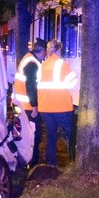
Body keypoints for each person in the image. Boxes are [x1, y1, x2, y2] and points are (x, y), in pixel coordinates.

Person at [37, 38, 77, 167]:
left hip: (45, 107)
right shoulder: (61, 64)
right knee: (71, 134)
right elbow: (73, 81)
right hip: (61, 106)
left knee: (51, 135)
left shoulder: (42, 65)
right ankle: (75, 160)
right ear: (59, 50)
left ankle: (51, 163)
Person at [13, 37, 47, 167]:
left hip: (22, 104)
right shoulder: (32, 63)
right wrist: (35, 106)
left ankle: (26, 160)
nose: (45, 55)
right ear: (42, 51)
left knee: (25, 133)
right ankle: (32, 162)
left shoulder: (27, 58)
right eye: (45, 52)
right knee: (34, 134)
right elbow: (31, 86)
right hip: (28, 106)